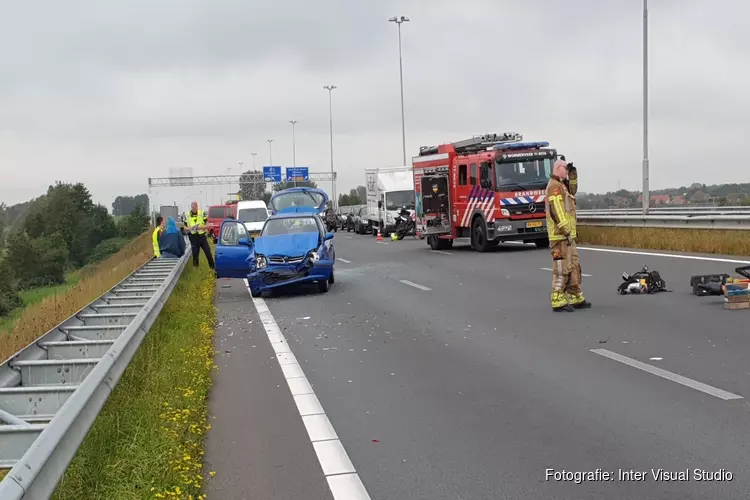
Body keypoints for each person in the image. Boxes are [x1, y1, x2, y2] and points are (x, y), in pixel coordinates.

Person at [545, 158, 591, 312]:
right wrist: (565, 230)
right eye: (565, 168)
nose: (566, 169)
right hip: (559, 237)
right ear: (558, 168)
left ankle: (575, 296)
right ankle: (557, 298)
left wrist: (573, 175)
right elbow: (556, 210)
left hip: (567, 237)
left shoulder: (562, 185)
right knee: (561, 267)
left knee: (573, 266)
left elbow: (573, 190)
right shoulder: (554, 187)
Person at [184, 201, 215, 269]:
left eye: (195, 208)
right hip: (193, 236)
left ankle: (212, 267)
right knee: (195, 254)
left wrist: (200, 227)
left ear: (197, 207)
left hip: (202, 236)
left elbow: (208, 225)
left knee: (207, 251)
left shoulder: (201, 213)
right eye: (192, 208)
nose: (194, 209)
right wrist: (190, 228)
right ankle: (196, 269)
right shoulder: (187, 214)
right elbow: (184, 227)